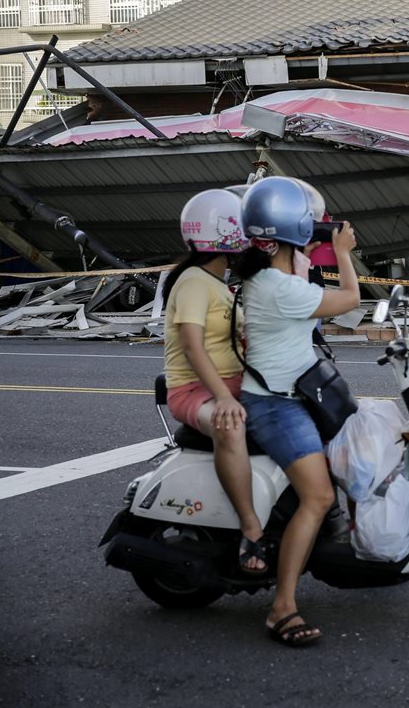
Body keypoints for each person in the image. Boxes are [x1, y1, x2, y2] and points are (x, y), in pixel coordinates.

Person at [236, 176, 360, 647]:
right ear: (295, 231)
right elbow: (350, 302)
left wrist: (310, 244)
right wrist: (343, 252)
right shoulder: (279, 288)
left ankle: (335, 539)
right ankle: (281, 607)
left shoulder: (274, 274)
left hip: (296, 392)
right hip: (276, 405)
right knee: (319, 496)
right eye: (312, 225)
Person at [162, 189, 268, 574]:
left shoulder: (217, 282)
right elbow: (192, 346)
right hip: (194, 391)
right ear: (228, 235)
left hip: (233, 382)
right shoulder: (193, 281)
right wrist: (223, 397)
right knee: (231, 424)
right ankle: (251, 527)